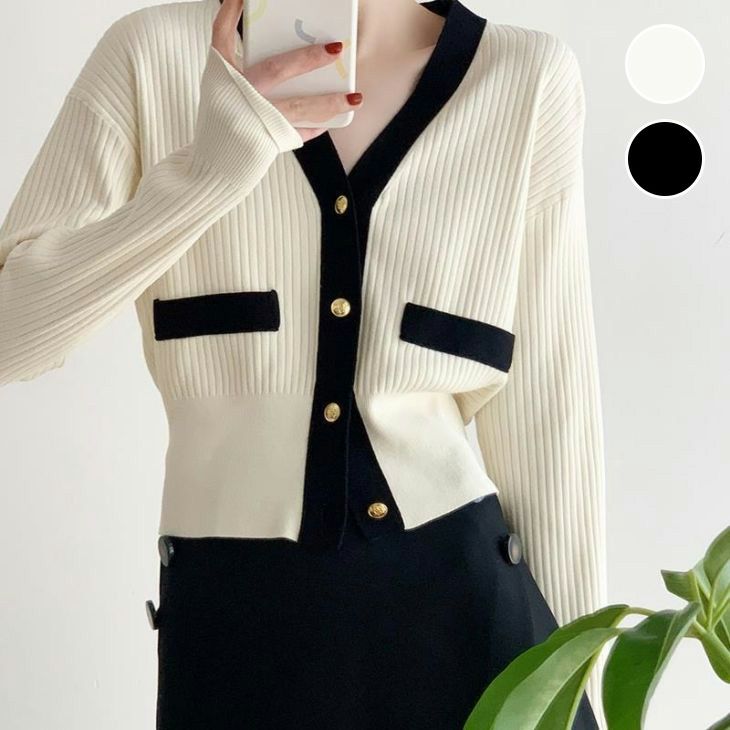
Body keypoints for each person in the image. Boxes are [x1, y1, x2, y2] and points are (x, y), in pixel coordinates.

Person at [0, 0, 607, 727]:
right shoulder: (150, 56)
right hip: (234, 637)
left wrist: (578, 687)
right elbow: (13, 335)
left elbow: (550, 416)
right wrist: (213, 169)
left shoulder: (524, 75)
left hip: (473, 627)